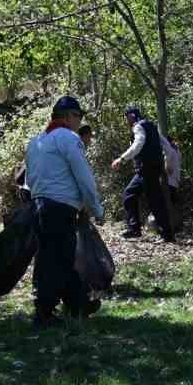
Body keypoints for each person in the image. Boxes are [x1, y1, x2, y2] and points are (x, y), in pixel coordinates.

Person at [26, 96, 106, 327]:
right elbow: (84, 176)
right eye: (78, 116)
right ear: (68, 116)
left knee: (61, 256)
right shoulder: (69, 138)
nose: (79, 122)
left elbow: (31, 178)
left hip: (40, 205)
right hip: (59, 207)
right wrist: (96, 207)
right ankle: (44, 313)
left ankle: (77, 304)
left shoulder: (37, 141)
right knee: (54, 260)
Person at [111, 105, 174, 242]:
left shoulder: (138, 127)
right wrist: (167, 163)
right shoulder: (151, 126)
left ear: (131, 116)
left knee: (137, 196)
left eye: (126, 117)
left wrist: (121, 159)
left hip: (146, 170)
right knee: (144, 198)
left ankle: (142, 230)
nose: (126, 120)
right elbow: (168, 147)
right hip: (152, 170)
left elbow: (138, 144)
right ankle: (141, 230)